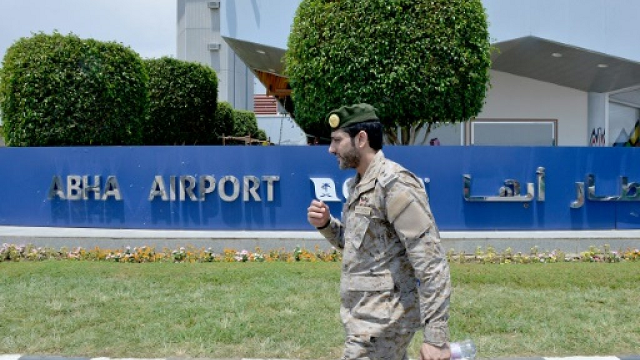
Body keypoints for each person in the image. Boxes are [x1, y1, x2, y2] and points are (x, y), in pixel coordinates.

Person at [307, 103, 452, 360]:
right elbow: (362, 247)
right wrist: (327, 226)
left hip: (384, 323)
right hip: (364, 318)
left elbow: (431, 261)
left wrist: (437, 338)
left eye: (337, 141)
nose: (331, 149)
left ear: (361, 139)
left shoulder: (395, 184)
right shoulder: (357, 184)